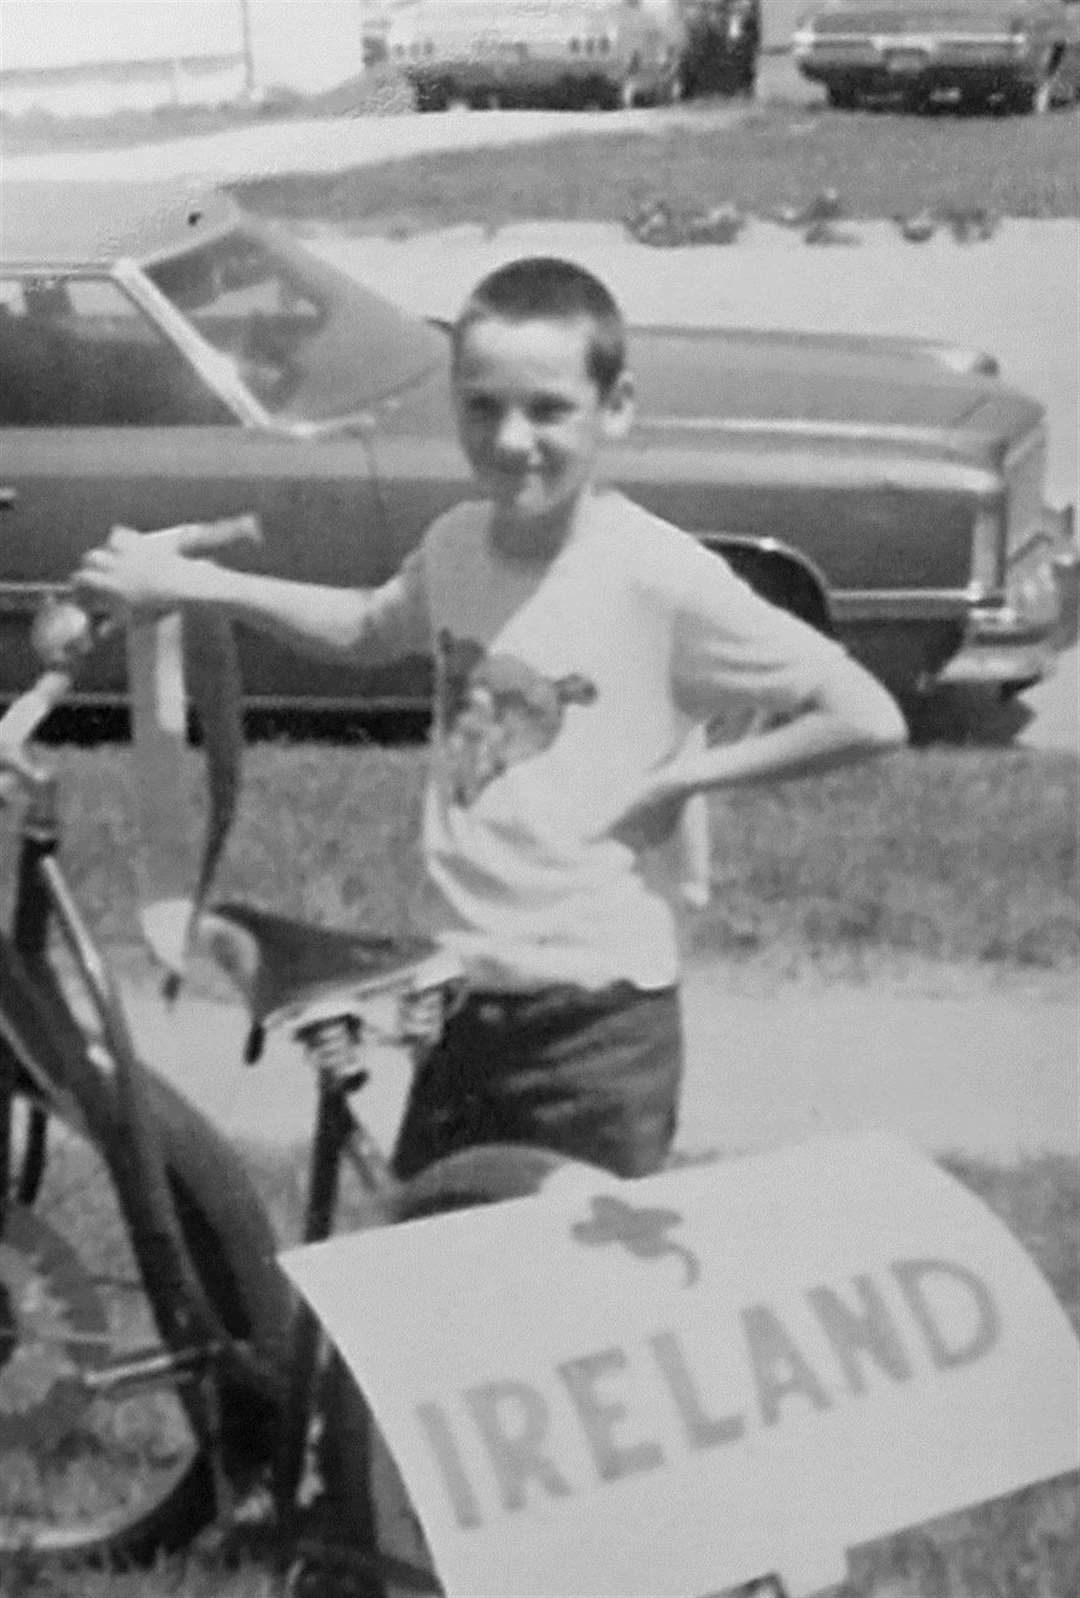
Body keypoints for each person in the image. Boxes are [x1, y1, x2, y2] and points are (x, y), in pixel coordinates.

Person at [76, 254, 906, 1187]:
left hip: (594, 1023)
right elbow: (362, 629)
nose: (512, 440)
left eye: (549, 410)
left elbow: (865, 716)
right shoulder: (457, 542)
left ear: (616, 407)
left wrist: (687, 778)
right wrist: (193, 583)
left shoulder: (657, 575)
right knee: (440, 1263)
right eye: (482, 407)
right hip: (461, 992)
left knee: (573, 1295)